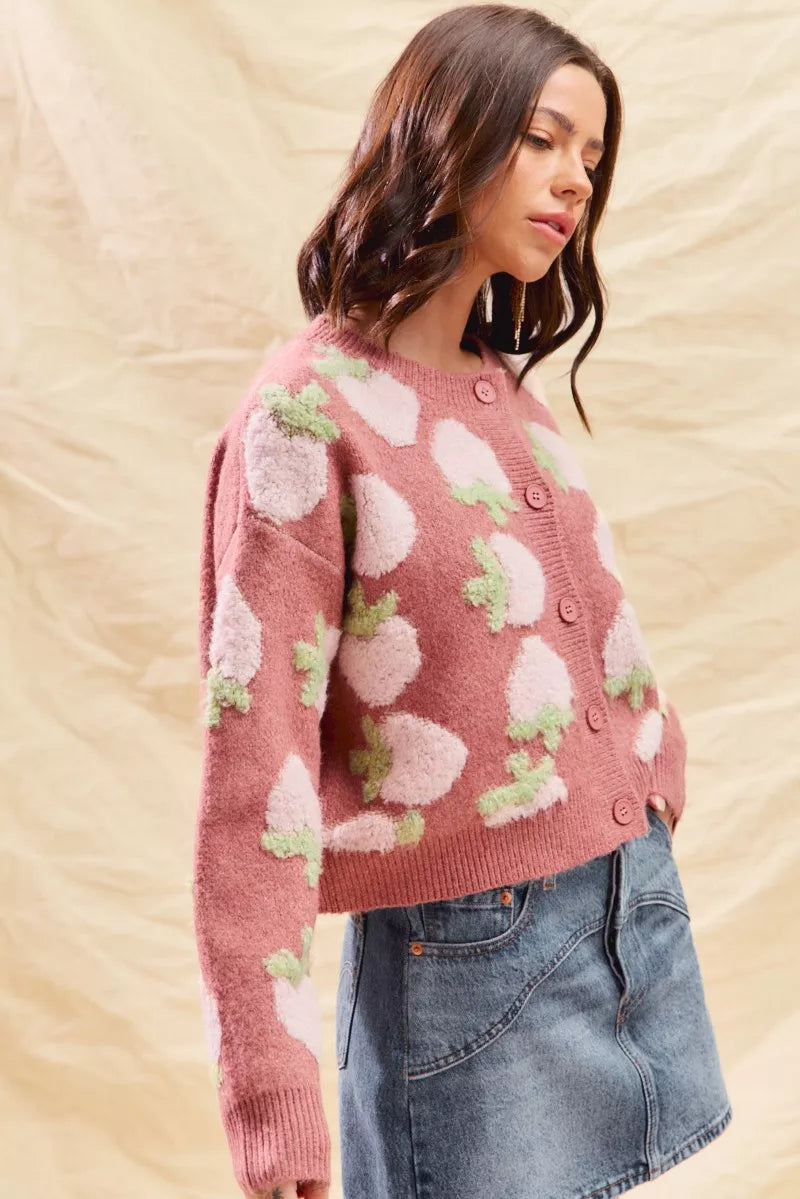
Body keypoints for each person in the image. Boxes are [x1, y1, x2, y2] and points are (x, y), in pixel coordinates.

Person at [191, 5, 733, 1196]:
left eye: (590, 154)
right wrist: (271, 1093)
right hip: (465, 959)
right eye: (542, 138)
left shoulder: (506, 397)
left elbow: (577, 630)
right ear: (443, 130)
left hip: (620, 907)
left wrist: (649, 771)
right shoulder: (305, 415)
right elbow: (254, 779)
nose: (574, 179)